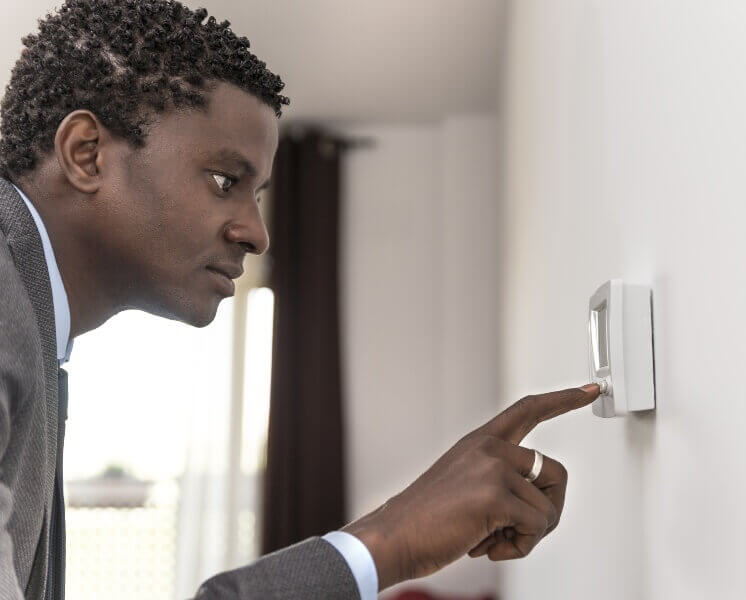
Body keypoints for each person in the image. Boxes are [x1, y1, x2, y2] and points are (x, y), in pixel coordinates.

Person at [0, 1, 604, 599]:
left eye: (257, 193)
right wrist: (389, 540)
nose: (257, 233)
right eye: (224, 181)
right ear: (86, 152)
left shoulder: (31, 321)